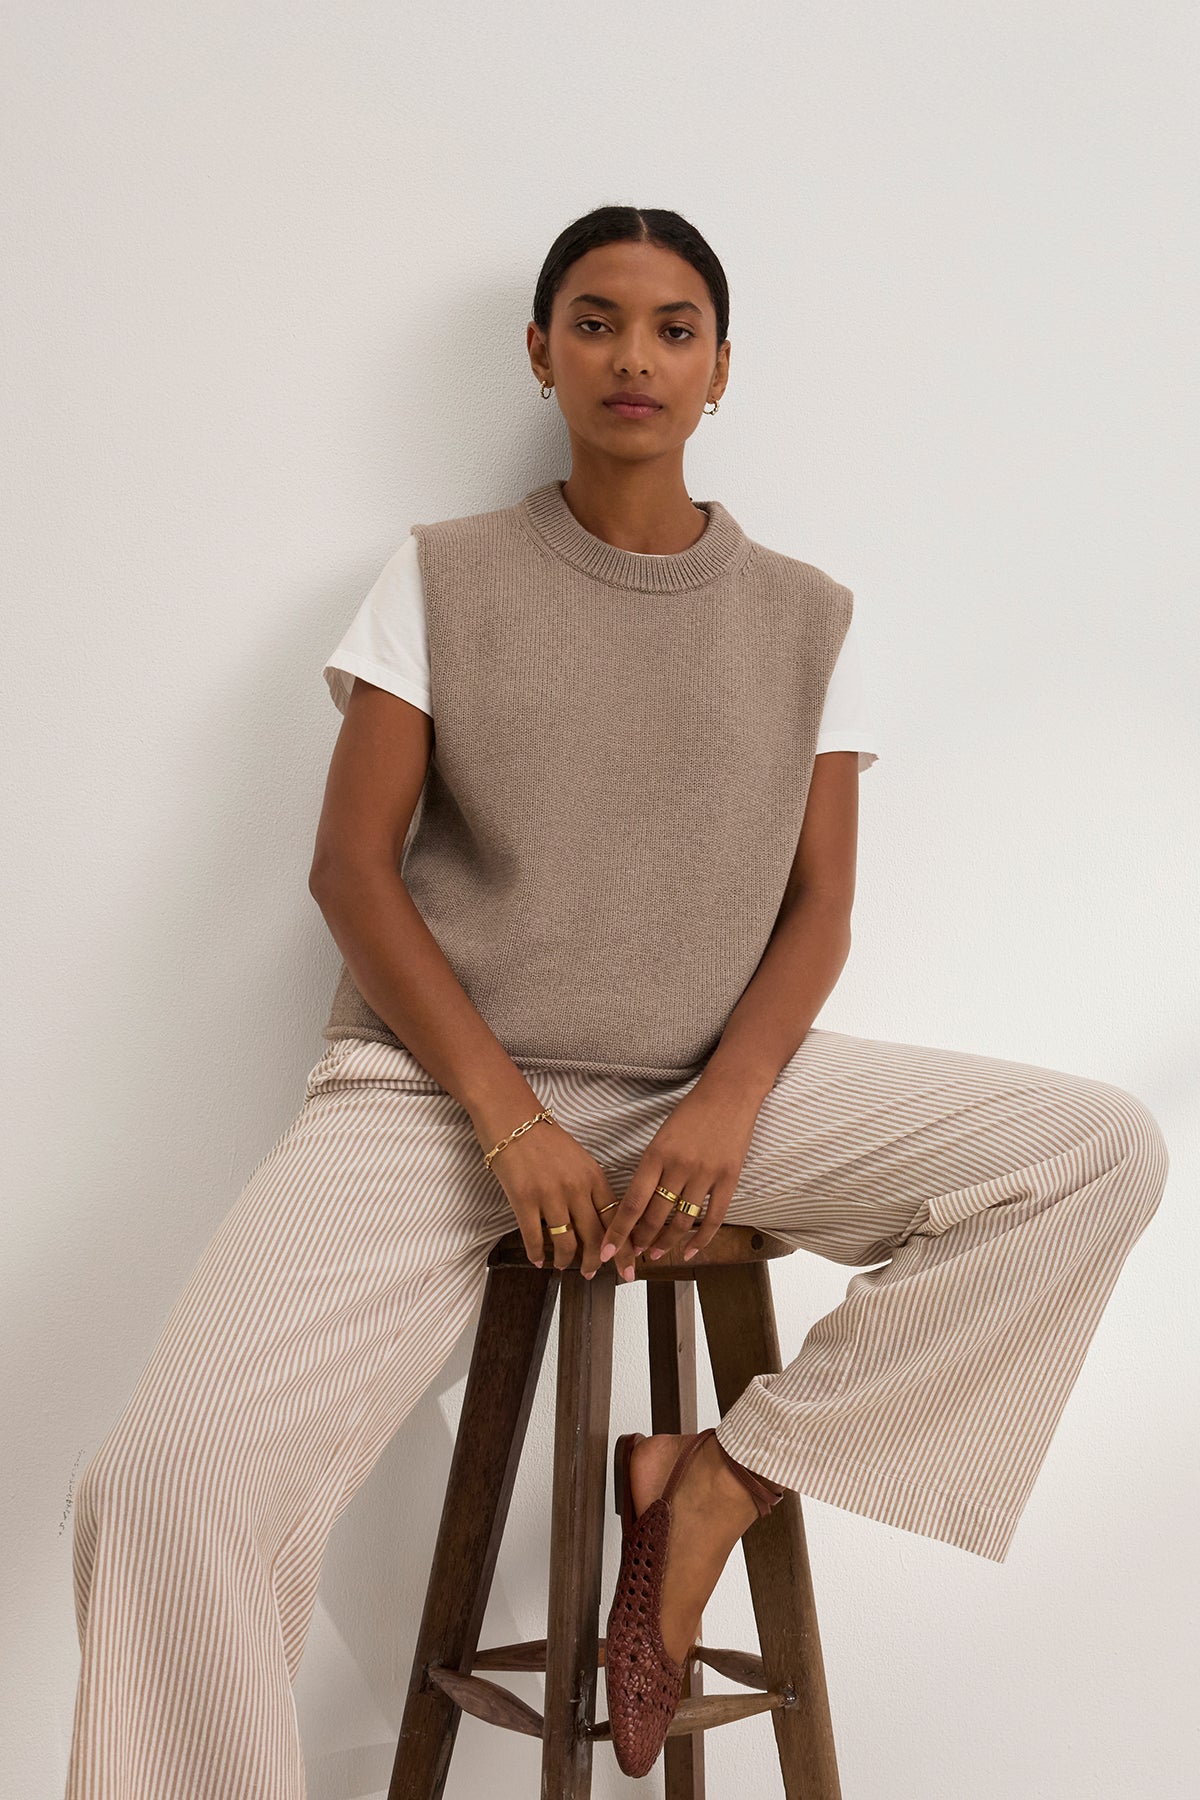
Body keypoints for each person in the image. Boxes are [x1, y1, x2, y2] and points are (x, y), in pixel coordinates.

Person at [64, 206, 1170, 1794]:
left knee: (1094, 1150)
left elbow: (821, 909)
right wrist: (508, 1122)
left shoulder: (806, 616)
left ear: (721, 370)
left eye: (670, 328)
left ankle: (714, 1485)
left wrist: (727, 1101)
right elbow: (351, 874)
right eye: (592, 322)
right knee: (167, 1483)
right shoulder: (440, 578)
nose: (631, 356)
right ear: (539, 355)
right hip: (434, 1101)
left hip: (704, 1091)